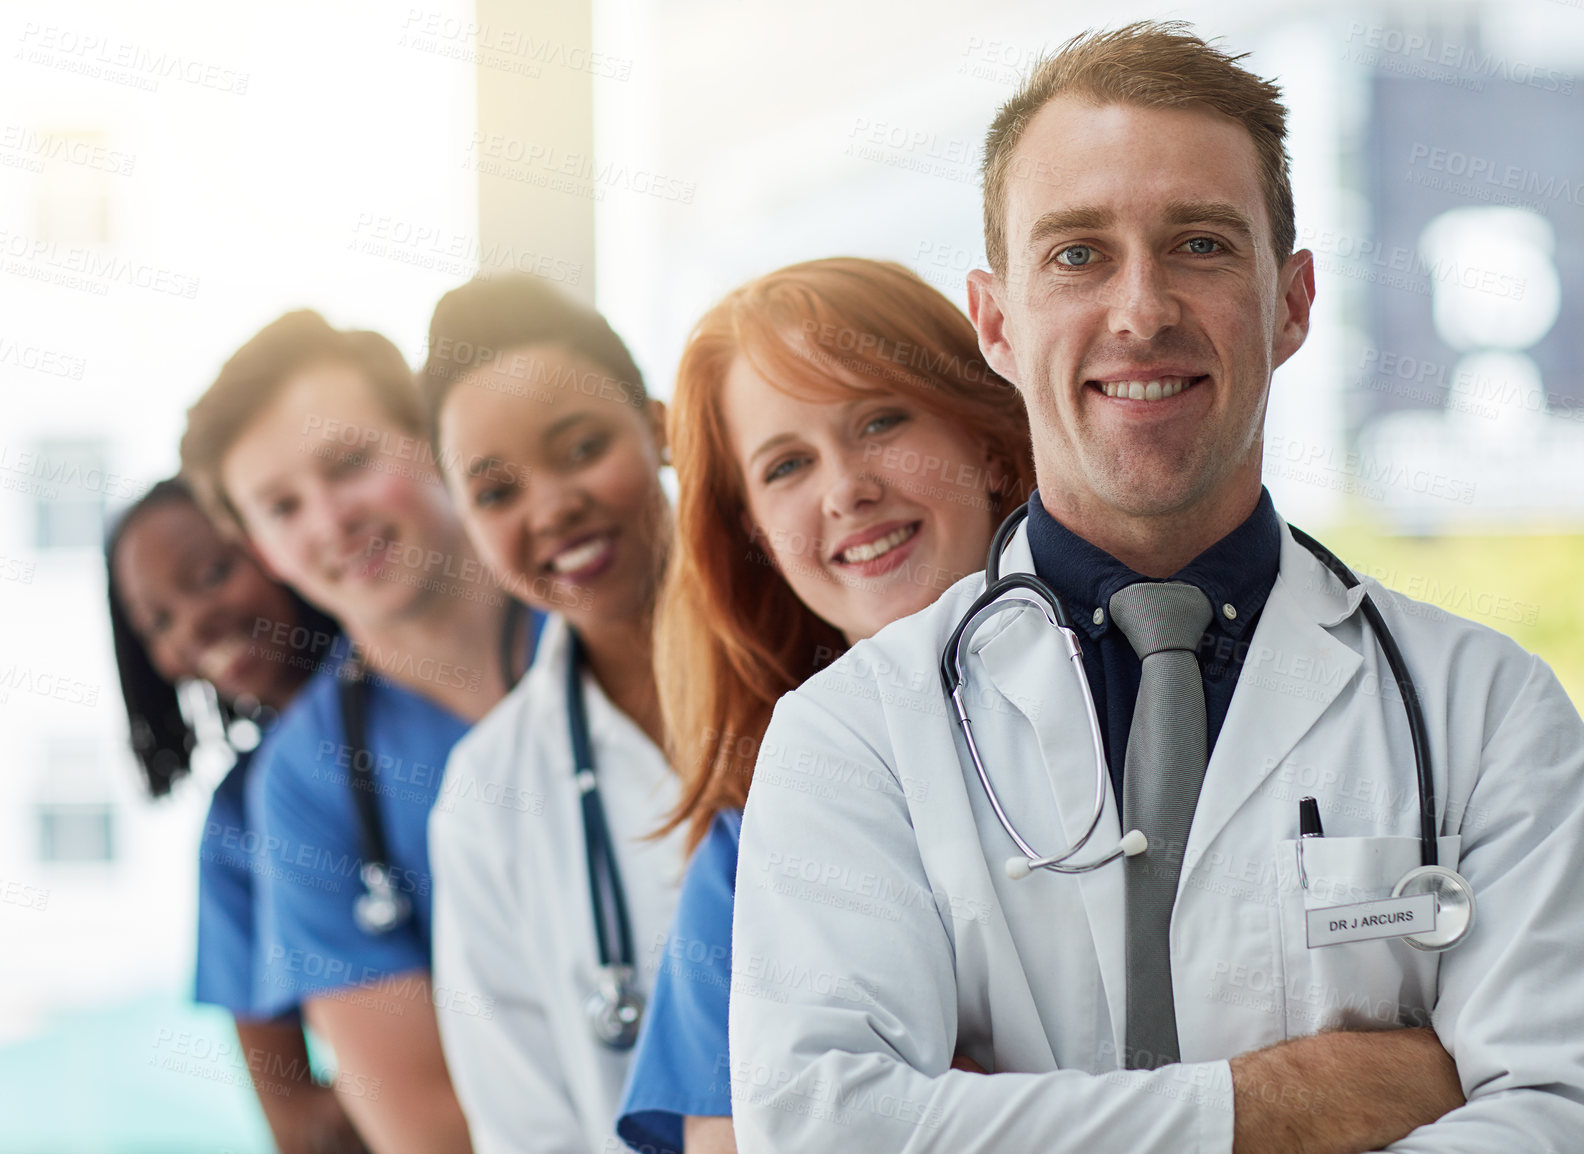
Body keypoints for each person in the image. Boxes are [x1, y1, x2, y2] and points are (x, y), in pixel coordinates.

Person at [728, 23, 1584, 1154]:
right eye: (1076, 253)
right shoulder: (854, 735)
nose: (1140, 310)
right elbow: (826, 1131)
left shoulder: (1485, 708)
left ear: (1292, 303)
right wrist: (1277, 1105)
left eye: (1200, 245)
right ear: (994, 320)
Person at [613, 257, 1036, 1154]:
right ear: (755, 538)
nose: (845, 489)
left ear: (990, 444)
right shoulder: (747, 855)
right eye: (787, 466)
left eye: (880, 421)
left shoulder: (1163, 704)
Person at [180, 312, 536, 1154]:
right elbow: (427, 1127)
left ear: (428, 435)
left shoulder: (614, 631)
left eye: (349, 465)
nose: (330, 520)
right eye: (282, 507)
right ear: (262, 547)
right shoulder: (305, 786)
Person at [417, 274, 689, 1153]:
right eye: (496, 493)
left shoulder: (831, 655)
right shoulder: (487, 797)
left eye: (580, 447)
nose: (552, 506)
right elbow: (527, 1126)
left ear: (658, 427)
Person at [107, 478, 367, 1154]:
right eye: (157, 621)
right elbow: (295, 1122)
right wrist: (403, 1077)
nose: (191, 625)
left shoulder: (421, 707)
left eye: (214, 572)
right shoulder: (234, 827)